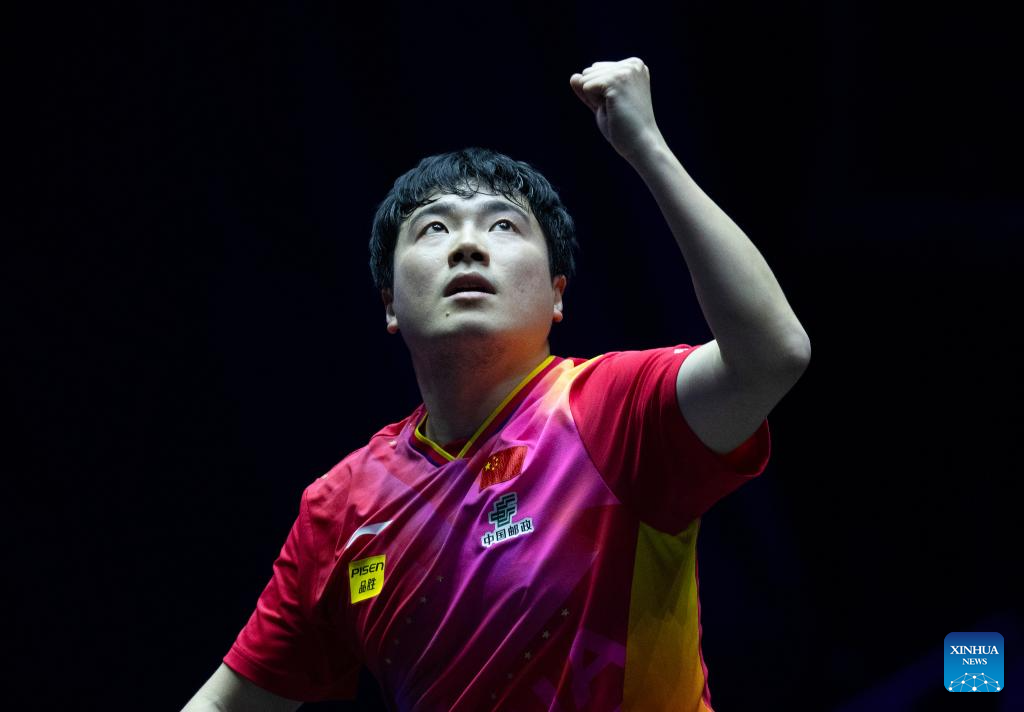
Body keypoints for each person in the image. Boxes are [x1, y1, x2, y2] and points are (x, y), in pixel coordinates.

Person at [183, 57, 810, 712]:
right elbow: (227, 703)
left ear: (557, 295)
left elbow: (772, 355)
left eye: (503, 225)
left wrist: (647, 147)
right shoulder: (342, 509)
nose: (468, 246)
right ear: (390, 303)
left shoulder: (612, 410)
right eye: (433, 228)